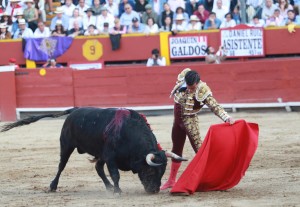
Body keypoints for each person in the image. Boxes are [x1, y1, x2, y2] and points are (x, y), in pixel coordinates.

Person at [160, 68, 235, 190]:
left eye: (192, 87)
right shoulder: (184, 77)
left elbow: (214, 106)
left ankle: (211, 180)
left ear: (198, 83)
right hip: (177, 121)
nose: (190, 89)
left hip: (190, 122)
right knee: (176, 149)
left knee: (199, 151)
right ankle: (171, 180)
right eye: (188, 86)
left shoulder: (202, 89)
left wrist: (227, 118)